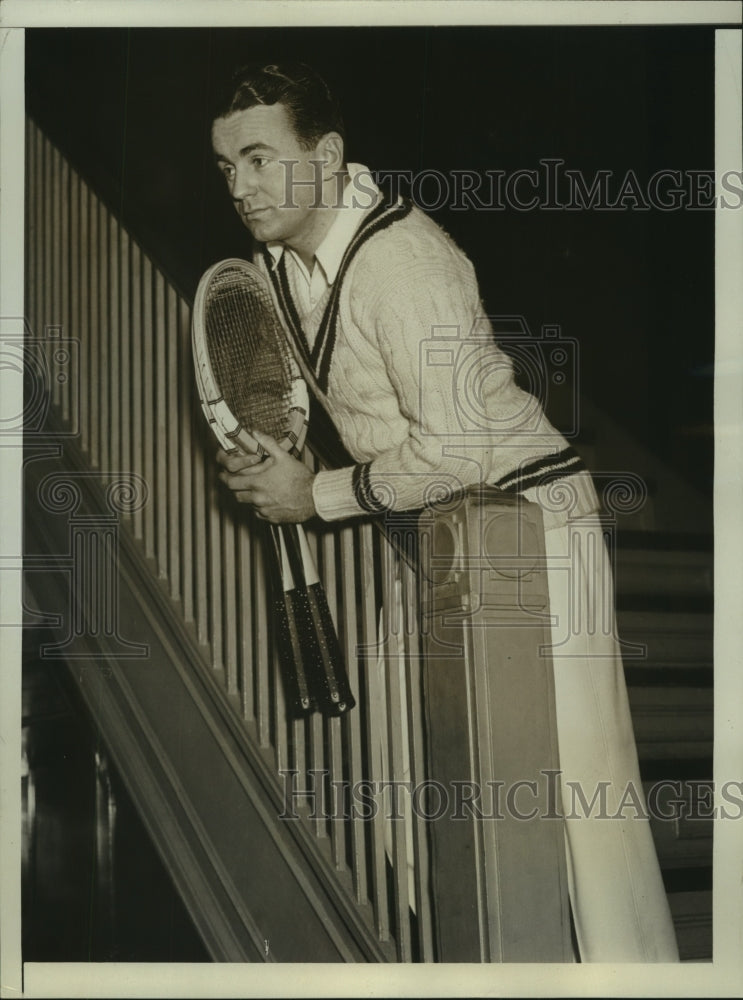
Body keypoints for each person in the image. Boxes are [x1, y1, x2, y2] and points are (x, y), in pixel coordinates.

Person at [210, 62, 679, 963]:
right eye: (227, 166)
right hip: (428, 534)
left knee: (583, 824)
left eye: (261, 160)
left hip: (532, 526)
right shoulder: (282, 264)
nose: (240, 186)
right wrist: (294, 463)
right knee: (412, 808)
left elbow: (459, 448)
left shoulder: (405, 261)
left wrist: (315, 496)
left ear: (330, 156)